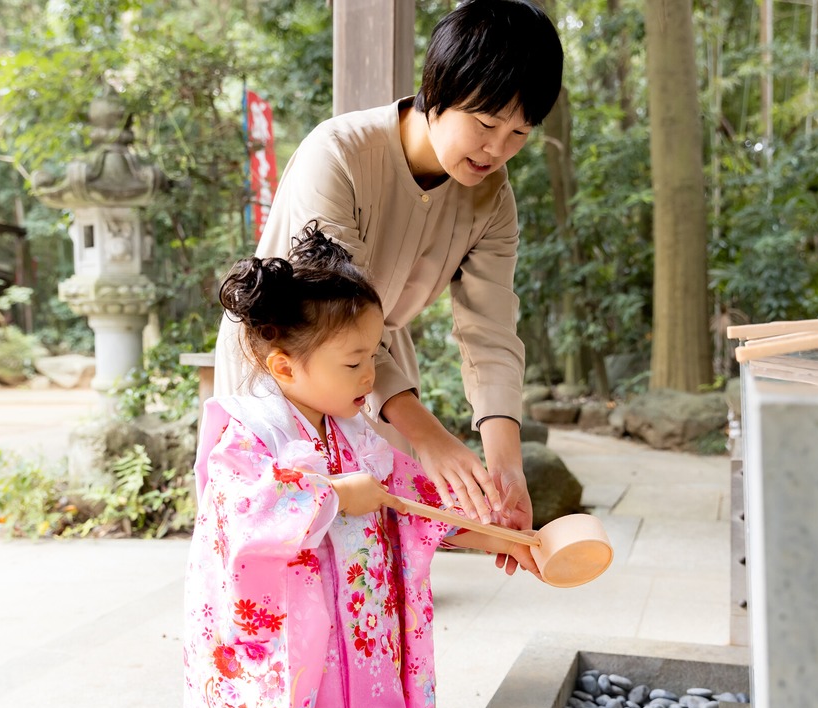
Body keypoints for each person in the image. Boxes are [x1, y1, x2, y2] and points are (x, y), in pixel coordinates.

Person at [214, 0, 564, 547]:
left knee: (367, 575)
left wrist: (506, 468)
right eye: (487, 123)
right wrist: (429, 437)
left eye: (520, 133)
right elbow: (327, 316)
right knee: (281, 568)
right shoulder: (338, 154)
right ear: (439, 92)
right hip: (284, 366)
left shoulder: (494, 200)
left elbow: (490, 332)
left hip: (370, 376)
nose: (498, 150)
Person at [183, 224, 540, 708]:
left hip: (362, 640)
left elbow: (417, 507)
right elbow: (241, 513)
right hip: (295, 653)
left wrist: (497, 538)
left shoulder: (355, 437)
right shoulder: (249, 431)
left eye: (375, 355)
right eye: (354, 362)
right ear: (284, 366)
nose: (370, 376)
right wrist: (331, 496)